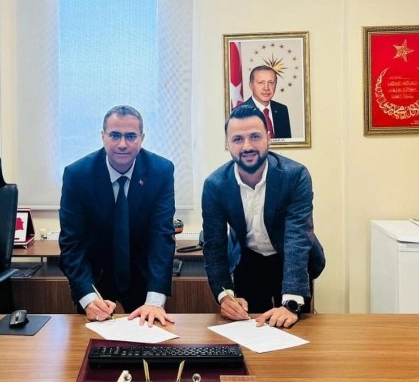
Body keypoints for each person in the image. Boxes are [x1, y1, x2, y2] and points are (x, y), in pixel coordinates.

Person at [201, 104, 325, 328]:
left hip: (290, 258)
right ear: (227, 144)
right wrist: (225, 296)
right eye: (238, 139)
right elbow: (214, 245)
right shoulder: (215, 185)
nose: (247, 146)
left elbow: (297, 237)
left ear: (269, 138)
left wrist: (291, 303)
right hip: (249, 261)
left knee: (295, 329)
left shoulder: (295, 176)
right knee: (251, 328)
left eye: (255, 136)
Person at [58, 105, 176, 327]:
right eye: (115, 135)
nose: (122, 144)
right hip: (95, 280)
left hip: (144, 279)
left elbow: (161, 236)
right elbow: (72, 243)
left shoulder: (161, 171)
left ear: (142, 138)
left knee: (148, 341)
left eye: (130, 136)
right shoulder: (77, 175)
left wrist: (155, 301)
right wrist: (87, 297)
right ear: (102, 136)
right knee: (92, 344)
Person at [243, 65, 292, 139]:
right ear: (251, 85)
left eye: (271, 82)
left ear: (275, 85)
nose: (266, 88)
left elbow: (287, 143)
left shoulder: (282, 110)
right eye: (261, 82)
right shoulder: (240, 112)